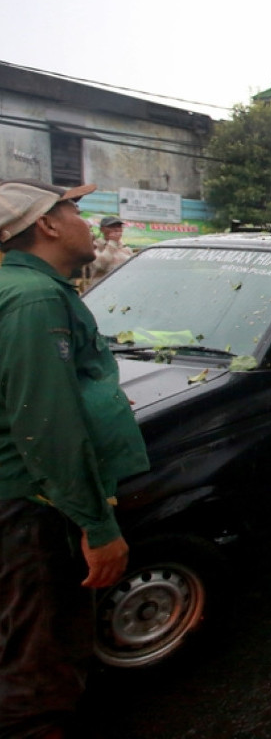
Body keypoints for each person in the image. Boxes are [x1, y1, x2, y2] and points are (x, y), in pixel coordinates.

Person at [0, 179, 149, 738]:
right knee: (41, 666)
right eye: (74, 210)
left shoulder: (21, 288)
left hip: (18, 500)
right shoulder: (35, 299)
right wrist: (97, 524)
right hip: (32, 508)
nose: (88, 222)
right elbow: (46, 426)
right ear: (47, 225)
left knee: (21, 637)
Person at [83, 216, 132, 286]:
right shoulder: (95, 246)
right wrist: (112, 243)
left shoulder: (126, 249)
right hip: (102, 288)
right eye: (112, 226)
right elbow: (99, 266)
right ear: (102, 229)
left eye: (119, 226)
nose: (116, 229)